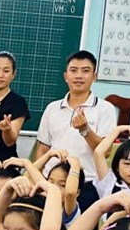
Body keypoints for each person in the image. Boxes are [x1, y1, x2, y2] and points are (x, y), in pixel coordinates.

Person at [32, 50, 118, 192]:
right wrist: (40, 180)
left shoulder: (105, 108)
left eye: (85, 71)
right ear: (66, 76)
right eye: (73, 71)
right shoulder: (52, 108)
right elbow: (42, 149)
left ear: (94, 76)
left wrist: (85, 130)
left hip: (86, 183)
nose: (79, 76)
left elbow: (106, 152)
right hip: (51, 182)